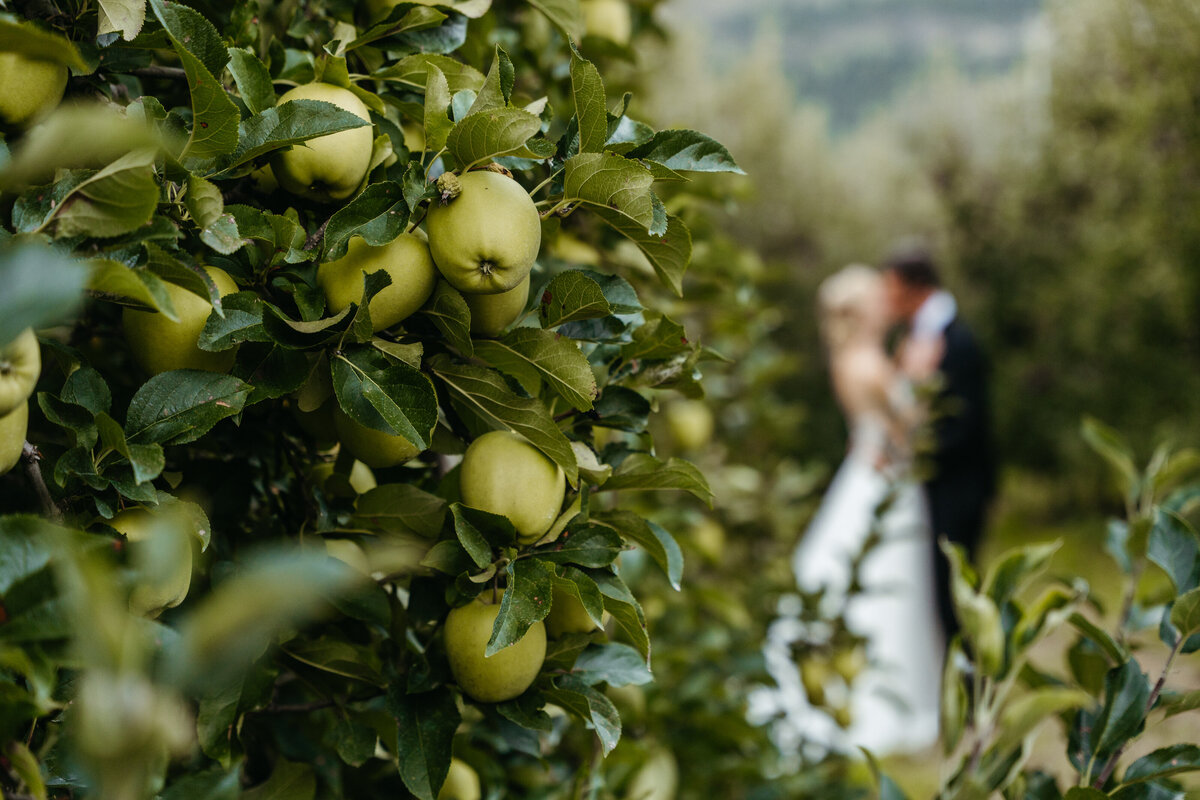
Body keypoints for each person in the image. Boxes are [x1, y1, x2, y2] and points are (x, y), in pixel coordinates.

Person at [750, 264, 942, 759]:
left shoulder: (851, 357)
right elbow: (909, 427)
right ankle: (881, 704)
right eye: (877, 299)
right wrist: (919, 374)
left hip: (865, 472)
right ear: (862, 312)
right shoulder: (868, 362)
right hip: (885, 483)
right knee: (888, 585)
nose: (886, 304)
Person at [882, 245, 995, 642]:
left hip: (956, 488)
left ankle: (967, 687)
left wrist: (911, 454)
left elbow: (964, 426)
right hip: (927, 487)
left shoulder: (958, 341)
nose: (887, 298)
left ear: (914, 287)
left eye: (891, 288)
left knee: (954, 598)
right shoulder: (918, 338)